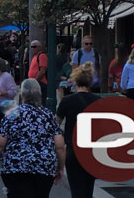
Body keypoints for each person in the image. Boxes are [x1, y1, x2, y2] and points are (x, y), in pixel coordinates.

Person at [0, 79, 66, 198]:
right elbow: (60, 146)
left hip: (15, 168)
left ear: (22, 95)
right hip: (44, 168)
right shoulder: (48, 115)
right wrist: (60, 167)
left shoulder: (12, 114)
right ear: (39, 95)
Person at [56, 62, 100, 198]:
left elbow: (55, 124)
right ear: (90, 82)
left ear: (75, 80)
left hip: (73, 149)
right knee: (88, 190)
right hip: (92, 151)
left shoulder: (67, 101)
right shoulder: (98, 101)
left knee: (76, 190)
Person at [28, 40, 48, 104]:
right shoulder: (35, 57)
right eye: (31, 47)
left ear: (39, 47)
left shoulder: (41, 56)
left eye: (34, 47)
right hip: (35, 83)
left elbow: (42, 71)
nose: (32, 48)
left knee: (40, 102)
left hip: (40, 83)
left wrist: (35, 81)